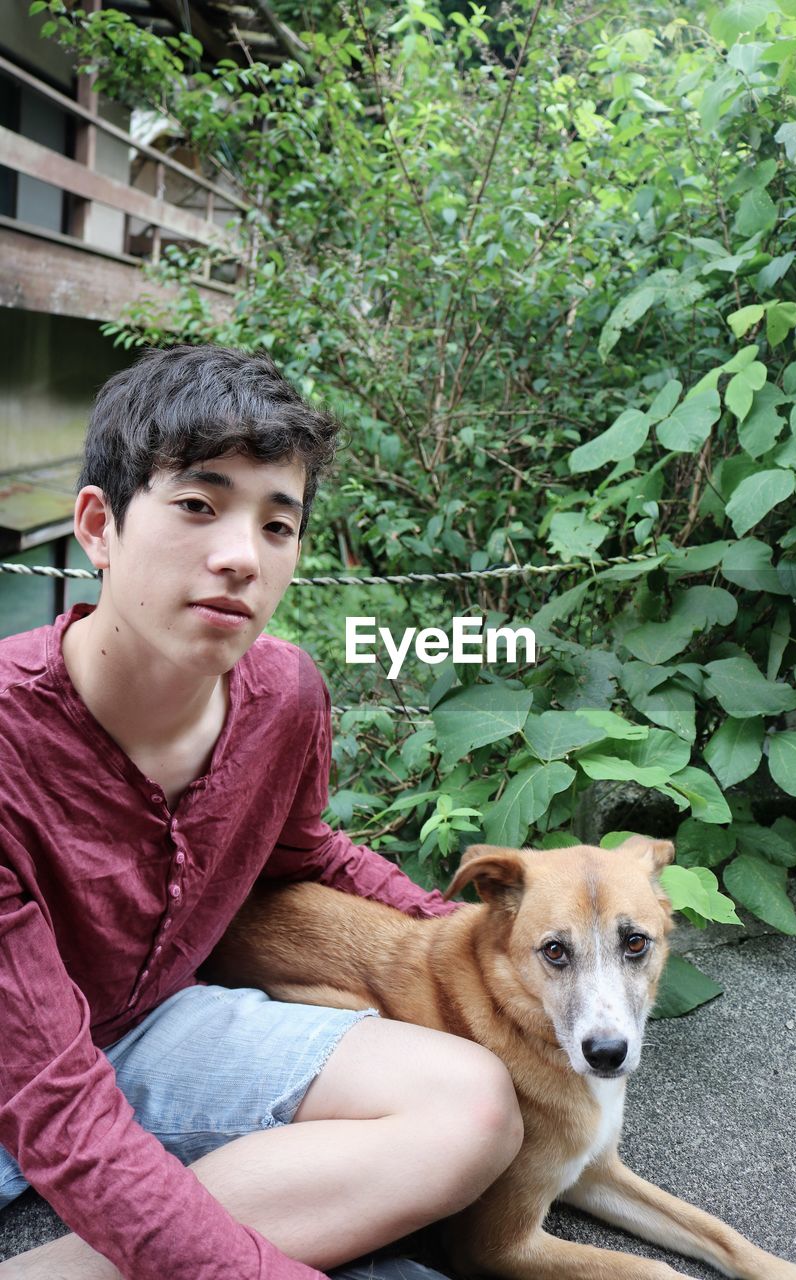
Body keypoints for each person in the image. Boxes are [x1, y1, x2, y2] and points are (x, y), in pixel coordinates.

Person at [0, 346, 523, 1280]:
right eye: (198, 506)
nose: (241, 555)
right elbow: (49, 1099)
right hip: (19, 1073)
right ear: (98, 526)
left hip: (146, 1028)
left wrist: (476, 936)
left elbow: (305, 854)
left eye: (276, 524)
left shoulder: (285, 694)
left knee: (475, 1109)